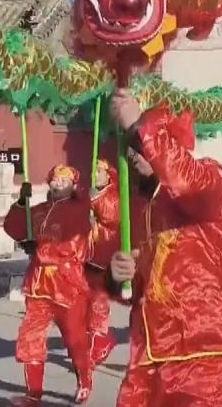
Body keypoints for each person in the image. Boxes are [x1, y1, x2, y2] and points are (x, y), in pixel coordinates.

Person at [105, 88, 222, 406]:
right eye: (132, 147)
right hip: (149, 346)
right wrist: (118, 274)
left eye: (142, 144)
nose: (136, 153)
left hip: (201, 346)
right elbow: (137, 286)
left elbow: (186, 180)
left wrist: (140, 124)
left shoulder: (210, 182)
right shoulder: (138, 207)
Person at [4, 163, 95, 404]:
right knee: (30, 339)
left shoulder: (79, 211)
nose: (58, 184)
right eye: (54, 179)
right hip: (38, 285)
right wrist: (21, 204)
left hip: (68, 285)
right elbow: (14, 229)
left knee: (75, 339)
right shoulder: (40, 209)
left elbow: (74, 246)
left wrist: (41, 249)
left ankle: (84, 379)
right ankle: (33, 394)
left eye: (64, 181)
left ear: (73, 186)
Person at [86, 157, 119, 366]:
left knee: (99, 302)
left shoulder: (113, 195)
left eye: (99, 171)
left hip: (104, 253)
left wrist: (94, 201)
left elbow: (111, 215)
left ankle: (100, 341)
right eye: (93, 170)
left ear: (108, 175)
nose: (95, 174)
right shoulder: (87, 194)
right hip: (85, 253)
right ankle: (94, 340)